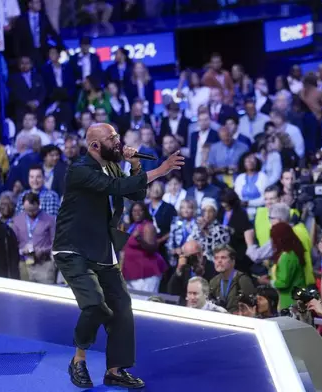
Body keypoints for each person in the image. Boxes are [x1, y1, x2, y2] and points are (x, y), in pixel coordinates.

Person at [52, 123, 184, 389]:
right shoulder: (79, 170)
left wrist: (136, 166)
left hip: (102, 248)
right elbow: (113, 186)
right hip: (73, 249)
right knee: (95, 304)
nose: (118, 141)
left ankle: (115, 369)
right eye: (112, 138)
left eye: (117, 136)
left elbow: (134, 192)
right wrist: (160, 170)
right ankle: (78, 359)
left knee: (122, 307)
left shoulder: (112, 166)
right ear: (95, 146)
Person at [208, 245, 255, 313]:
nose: (219, 261)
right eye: (216, 258)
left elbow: (252, 305)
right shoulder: (213, 282)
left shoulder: (243, 280)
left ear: (233, 261)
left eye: (223, 258)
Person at [270, 221, 306, 310]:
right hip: (296, 300)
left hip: (289, 302)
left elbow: (283, 283)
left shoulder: (287, 257)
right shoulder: (294, 252)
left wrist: (269, 282)